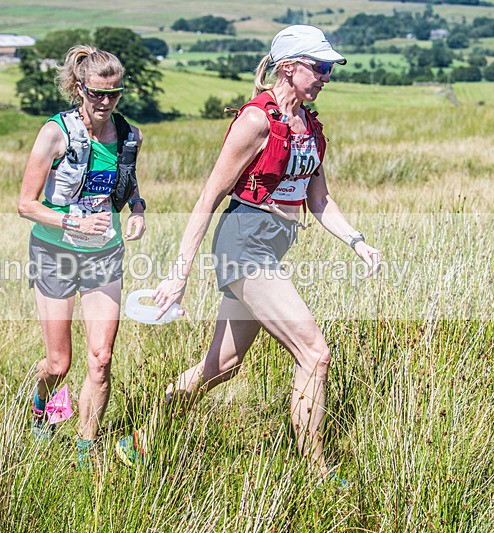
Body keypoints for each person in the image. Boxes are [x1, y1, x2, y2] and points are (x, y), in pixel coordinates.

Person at [116, 26, 380, 478]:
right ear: (289, 67)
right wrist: (179, 276)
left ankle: (138, 438)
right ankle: (318, 473)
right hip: (244, 244)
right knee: (315, 353)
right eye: (319, 67)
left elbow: (319, 200)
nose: (326, 76)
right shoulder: (257, 120)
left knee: (224, 365)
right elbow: (209, 196)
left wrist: (356, 240)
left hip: (271, 248)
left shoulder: (309, 126)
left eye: (329, 68)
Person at [17, 45, 146, 456]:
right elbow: (26, 204)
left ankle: (84, 449)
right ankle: (44, 408)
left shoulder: (129, 134)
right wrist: (73, 221)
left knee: (101, 358)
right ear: (79, 88)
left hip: (104, 254)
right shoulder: (54, 133)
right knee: (59, 365)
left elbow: (128, 185)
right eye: (97, 93)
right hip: (55, 253)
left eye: (115, 93)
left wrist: (138, 210)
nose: (106, 102)